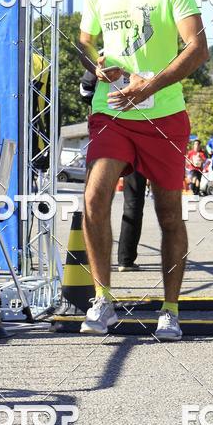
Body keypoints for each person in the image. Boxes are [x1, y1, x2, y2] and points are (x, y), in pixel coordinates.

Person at [78, 0, 208, 340]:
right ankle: (103, 301)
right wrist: (93, 62)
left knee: (169, 213)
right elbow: (84, 39)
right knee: (94, 196)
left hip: (164, 115)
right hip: (111, 110)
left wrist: (148, 88)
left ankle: (170, 309)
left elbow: (197, 49)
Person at [79, 68, 146, 272]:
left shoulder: (104, 56)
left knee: (99, 199)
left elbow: (84, 91)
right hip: (129, 132)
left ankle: (111, 259)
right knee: (127, 201)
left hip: (114, 133)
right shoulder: (143, 58)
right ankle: (124, 259)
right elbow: (86, 90)